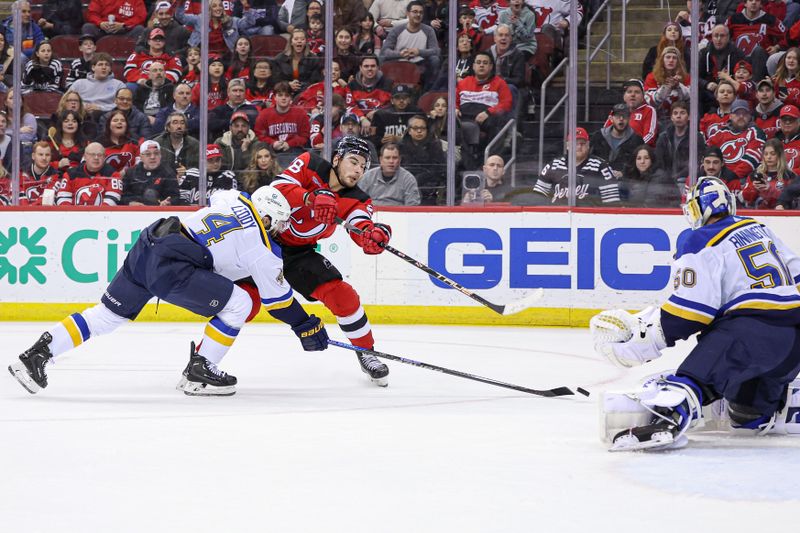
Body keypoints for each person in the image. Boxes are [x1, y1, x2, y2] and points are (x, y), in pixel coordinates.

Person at [9, 185, 330, 396]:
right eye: (280, 223)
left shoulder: (233, 198)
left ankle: (36, 355)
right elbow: (280, 301)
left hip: (152, 242)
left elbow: (216, 193)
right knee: (241, 303)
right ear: (271, 218)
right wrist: (306, 325)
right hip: (177, 264)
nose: (280, 231)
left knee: (105, 317)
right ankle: (200, 370)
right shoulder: (263, 249)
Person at [592, 176, 800, 451]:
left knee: (692, 379)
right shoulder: (758, 227)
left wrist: (650, 338)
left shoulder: (697, 238)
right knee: (746, 411)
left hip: (751, 332)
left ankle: (668, 418)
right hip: (795, 339)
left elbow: (691, 312)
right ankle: (768, 407)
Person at [271, 136, 392, 386]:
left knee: (343, 295)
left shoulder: (358, 199)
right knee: (240, 300)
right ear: (337, 159)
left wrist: (372, 236)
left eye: (363, 167)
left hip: (298, 254)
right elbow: (276, 190)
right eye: (354, 162)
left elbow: (360, 224)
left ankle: (366, 352)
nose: (358, 170)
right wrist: (310, 198)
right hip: (262, 241)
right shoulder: (310, 163)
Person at [533, 127, 619, 206]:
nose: (579, 147)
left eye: (582, 143)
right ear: (567, 145)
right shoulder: (554, 165)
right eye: (575, 143)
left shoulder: (601, 167)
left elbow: (612, 201)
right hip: (558, 217)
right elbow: (538, 196)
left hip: (590, 218)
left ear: (588, 145)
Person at [379, 1, 441, 90]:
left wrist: (419, 52)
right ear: (407, 13)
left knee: (435, 59)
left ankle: (429, 91)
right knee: (381, 59)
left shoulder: (428, 30)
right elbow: (385, 51)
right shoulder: (397, 30)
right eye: (415, 12)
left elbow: (436, 50)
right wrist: (400, 54)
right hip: (399, 62)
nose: (418, 15)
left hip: (420, 64)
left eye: (421, 12)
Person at [706, 98, 766, 182]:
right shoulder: (721, 132)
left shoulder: (756, 132)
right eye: (737, 113)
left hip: (742, 178)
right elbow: (708, 152)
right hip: (718, 176)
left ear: (749, 116)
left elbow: (753, 158)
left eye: (744, 114)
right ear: (730, 116)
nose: (741, 117)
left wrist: (733, 175)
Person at [254, 81, 310, 167]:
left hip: (294, 151)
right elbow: (259, 135)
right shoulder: (264, 114)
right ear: (275, 97)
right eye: (280, 95)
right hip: (271, 151)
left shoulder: (300, 113)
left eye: (287, 95)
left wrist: (289, 144)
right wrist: (273, 143)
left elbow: (304, 135)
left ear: (291, 98)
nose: (283, 98)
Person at [53, 142, 122, 205]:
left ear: (104, 157)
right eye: (92, 154)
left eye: (100, 155)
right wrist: (71, 215)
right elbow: (63, 198)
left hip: (102, 217)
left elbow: (112, 199)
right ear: (85, 157)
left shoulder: (113, 175)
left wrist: (98, 216)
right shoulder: (70, 174)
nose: (96, 158)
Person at [655, 101, 705, 189]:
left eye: (682, 113)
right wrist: (667, 178)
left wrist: (676, 177)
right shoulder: (664, 137)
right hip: (665, 180)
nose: (678, 116)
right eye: (675, 113)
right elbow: (659, 162)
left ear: (689, 117)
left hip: (686, 180)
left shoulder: (696, 137)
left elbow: (696, 163)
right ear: (671, 117)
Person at [398, 114, 445, 204]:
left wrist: (420, 179)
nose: (419, 131)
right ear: (409, 131)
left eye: (422, 128)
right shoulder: (401, 146)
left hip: (430, 187)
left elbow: (439, 168)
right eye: (415, 128)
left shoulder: (435, 145)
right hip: (406, 186)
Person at [591, 103, 644, 179]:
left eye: (624, 116)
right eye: (618, 116)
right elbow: (590, 159)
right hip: (599, 181)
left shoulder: (637, 140)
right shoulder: (598, 137)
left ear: (629, 118)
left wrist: (624, 174)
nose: (621, 119)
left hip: (626, 185)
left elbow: (640, 166)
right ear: (611, 118)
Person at [359, 142, 421, 206]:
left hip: (399, 215)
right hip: (373, 214)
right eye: (387, 158)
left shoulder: (408, 179)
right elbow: (359, 201)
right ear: (381, 160)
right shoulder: (368, 177)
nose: (391, 161)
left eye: (394, 158)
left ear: (399, 160)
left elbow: (412, 206)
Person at [120, 139, 180, 206]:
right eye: (148, 154)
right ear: (141, 157)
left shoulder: (168, 172)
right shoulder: (131, 172)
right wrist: (130, 203)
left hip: (160, 211)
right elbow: (122, 195)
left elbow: (175, 197)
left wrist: (168, 202)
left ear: (160, 155)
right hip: (135, 212)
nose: (152, 157)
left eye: (156, 153)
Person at [741, 137, 797, 208]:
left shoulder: (789, 176)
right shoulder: (755, 175)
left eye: (773, 154)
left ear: (780, 155)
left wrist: (769, 190)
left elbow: (793, 201)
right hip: (757, 215)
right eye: (766, 154)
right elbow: (745, 198)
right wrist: (753, 188)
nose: (769, 157)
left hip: (781, 216)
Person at [604, 79, 658, 146]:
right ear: (624, 96)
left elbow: (650, 135)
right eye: (629, 92)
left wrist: (634, 147)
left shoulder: (649, 110)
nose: (633, 95)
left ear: (643, 96)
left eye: (637, 92)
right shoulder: (616, 110)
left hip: (638, 151)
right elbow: (605, 131)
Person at [272, 28, 322, 96]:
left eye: (302, 39)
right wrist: (288, 84)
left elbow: (315, 82)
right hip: (284, 92)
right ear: (291, 42)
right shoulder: (279, 59)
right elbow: (275, 80)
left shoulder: (313, 59)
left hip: (306, 93)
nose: (299, 41)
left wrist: (299, 87)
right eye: (296, 39)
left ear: (306, 42)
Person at [152, 111, 200, 178]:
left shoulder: (195, 144)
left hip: (188, 182)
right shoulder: (157, 143)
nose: (179, 126)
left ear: (185, 127)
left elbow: (200, 167)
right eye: (175, 123)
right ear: (168, 127)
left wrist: (187, 171)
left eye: (182, 123)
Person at [98, 109, 140, 175]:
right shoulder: (99, 145)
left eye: (123, 120)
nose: (119, 122)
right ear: (109, 125)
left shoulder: (134, 143)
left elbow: (139, 165)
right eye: (115, 120)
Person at [17, 141, 59, 205]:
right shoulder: (22, 172)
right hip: (23, 212)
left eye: (47, 155)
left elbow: (46, 200)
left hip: (44, 213)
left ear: (51, 157)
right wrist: (26, 210)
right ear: (33, 156)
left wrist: (30, 209)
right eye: (40, 154)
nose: (44, 158)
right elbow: (18, 195)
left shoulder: (55, 176)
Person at [82, 0, 147, 40]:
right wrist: (100, 23)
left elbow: (141, 16)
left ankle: (136, 58)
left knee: (139, 29)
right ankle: (90, 59)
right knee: (88, 27)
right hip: (103, 29)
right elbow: (92, 13)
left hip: (125, 30)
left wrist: (124, 25)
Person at [775, 103, 800, 174]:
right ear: (779, 122)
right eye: (784, 119)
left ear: (799, 122)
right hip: (773, 182)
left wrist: (788, 174)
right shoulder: (773, 141)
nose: (787, 122)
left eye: (791, 119)